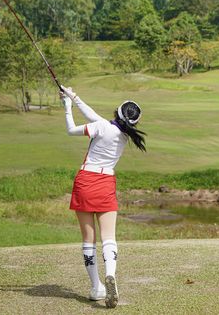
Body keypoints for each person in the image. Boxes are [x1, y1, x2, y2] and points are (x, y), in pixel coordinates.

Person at [60, 86, 146, 309]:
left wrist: (67, 107)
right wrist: (74, 96)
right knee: (109, 237)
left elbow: (71, 130)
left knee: (89, 239)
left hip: (85, 181)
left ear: (116, 114)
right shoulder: (124, 135)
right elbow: (95, 117)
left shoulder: (102, 126)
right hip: (106, 183)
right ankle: (111, 275)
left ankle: (96, 286)